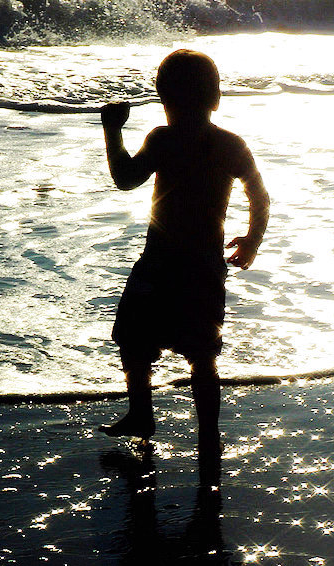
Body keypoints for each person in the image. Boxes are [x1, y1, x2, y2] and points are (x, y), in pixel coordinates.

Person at [99, 49, 269, 484]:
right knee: (201, 355)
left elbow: (124, 178)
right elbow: (259, 196)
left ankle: (142, 415)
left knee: (135, 339)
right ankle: (207, 434)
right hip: (204, 266)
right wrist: (251, 240)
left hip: (160, 262)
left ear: (163, 99)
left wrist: (112, 132)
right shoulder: (231, 143)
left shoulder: (162, 138)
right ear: (216, 98)